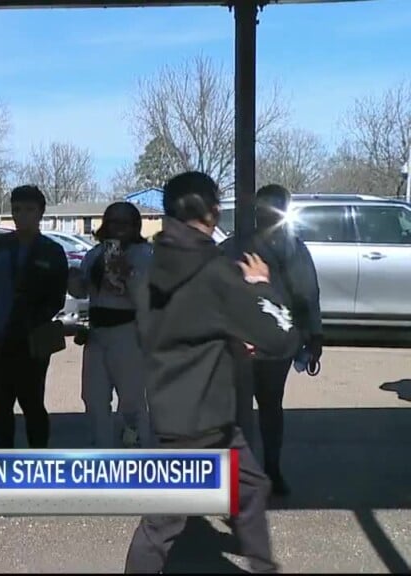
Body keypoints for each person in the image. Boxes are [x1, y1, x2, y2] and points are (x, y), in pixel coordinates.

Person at [123, 171, 299, 574]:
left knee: (250, 487)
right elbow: (280, 337)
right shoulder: (216, 273)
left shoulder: (149, 273)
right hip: (203, 419)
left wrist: (227, 339)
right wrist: (260, 286)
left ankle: (263, 566)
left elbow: (174, 332)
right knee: (161, 525)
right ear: (212, 211)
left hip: (175, 410)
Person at [221, 184, 323, 496]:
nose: (268, 212)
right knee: (237, 412)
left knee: (270, 408)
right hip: (239, 341)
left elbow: (308, 295)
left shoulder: (294, 249)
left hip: (277, 342)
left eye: (275, 206)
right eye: (264, 206)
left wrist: (314, 336)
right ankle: (240, 474)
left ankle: (272, 468)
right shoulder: (231, 247)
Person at [0, 185, 69, 449]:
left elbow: (56, 298)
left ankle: (37, 462)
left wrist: (31, 321)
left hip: (30, 340)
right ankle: (6, 463)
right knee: (1, 405)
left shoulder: (52, 251)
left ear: (40, 213)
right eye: (16, 210)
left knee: (32, 404)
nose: (21, 215)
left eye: (28, 210)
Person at [68, 202, 153, 449]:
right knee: (93, 398)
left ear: (135, 226)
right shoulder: (95, 254)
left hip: (128, 331)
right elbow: (82, 292)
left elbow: (148, 300)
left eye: (124, 223)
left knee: (131, 400)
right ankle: (101, 449)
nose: (117, 228)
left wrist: (129, 275)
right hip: (97, 333)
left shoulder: (144, 255)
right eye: (112, 222)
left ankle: (135, 453)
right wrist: (73, 280)